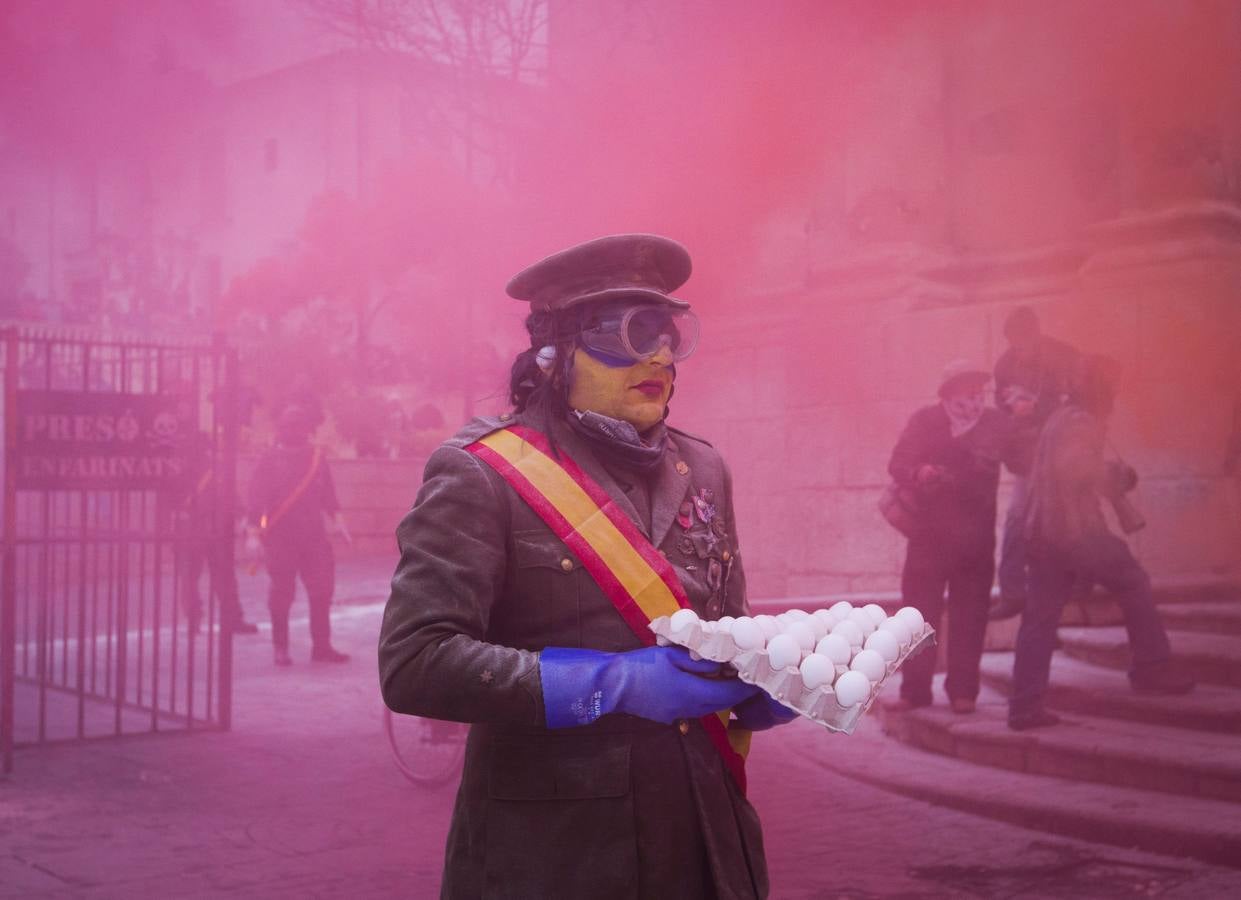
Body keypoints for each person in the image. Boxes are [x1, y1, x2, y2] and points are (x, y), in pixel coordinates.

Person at [379, 234, 795, 899]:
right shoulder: (484, 473)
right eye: (626, 334)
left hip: (703, 839)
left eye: (667, 333)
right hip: (560, 855)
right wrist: (611, 683)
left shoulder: (704, 468)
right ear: (554, 354)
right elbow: (414, 664)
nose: (657, 353)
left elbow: (725, 623)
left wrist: (761, 677)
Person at [1008, 354, 1194, 730]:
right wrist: (1116, 476)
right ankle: (1151, 667)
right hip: (1076, 532)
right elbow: (1075, 469)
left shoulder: (1060, 417)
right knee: (1134, 580)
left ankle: (1024, 706)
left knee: (1039, 621)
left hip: (1044, 532)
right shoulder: (1080, 421)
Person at [885, 360, 1017, 715]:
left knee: (970, 619)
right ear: (948, 394)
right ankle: (915, 691)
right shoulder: (926, 421)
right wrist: (920, 472)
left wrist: (1024, 416)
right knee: (917, 616)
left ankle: (963, 693)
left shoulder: (996, 423)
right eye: (965, 390)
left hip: (975, 541)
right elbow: (897, 463)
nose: (973, 398)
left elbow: (1022, 459)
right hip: (928, 538)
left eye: (978, 390)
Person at [990, 306, 1083, 620]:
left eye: (1023, 340)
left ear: (1036, 333)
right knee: (1018, 518)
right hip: (1029, 453)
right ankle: (1013, 592)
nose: (1019, 348)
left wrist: (1037, 405)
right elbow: (1000, 405)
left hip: (1064, 448)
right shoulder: (1005, 364)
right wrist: (1014, 406)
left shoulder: (1063, 355)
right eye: (1014, 342)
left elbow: (1081, 399)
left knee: (1076, 514)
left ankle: (1082, 581)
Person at [247, 402, 351, 666]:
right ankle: (280, 648)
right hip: (281, 539)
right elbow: (256, 500)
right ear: (281, 429)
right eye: (288, 426)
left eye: (299, 426)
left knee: (321, 591)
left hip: (314, 538)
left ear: (307, 430)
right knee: (281, 594)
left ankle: (322, 646)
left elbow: (328, 495)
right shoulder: (268, 460)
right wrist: (252, 534)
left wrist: (339, 523)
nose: (293, 431)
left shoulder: (317, 458)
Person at [175, 436, 259, 636]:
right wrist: (240, 515)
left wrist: (239, 514)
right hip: (209, 531)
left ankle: (196, 619)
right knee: (221, 578)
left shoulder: (183, 469)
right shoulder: (201, 469)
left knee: (194, 578)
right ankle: (231, 619)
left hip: (197, 531)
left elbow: (230, 495)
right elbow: (231, 496)